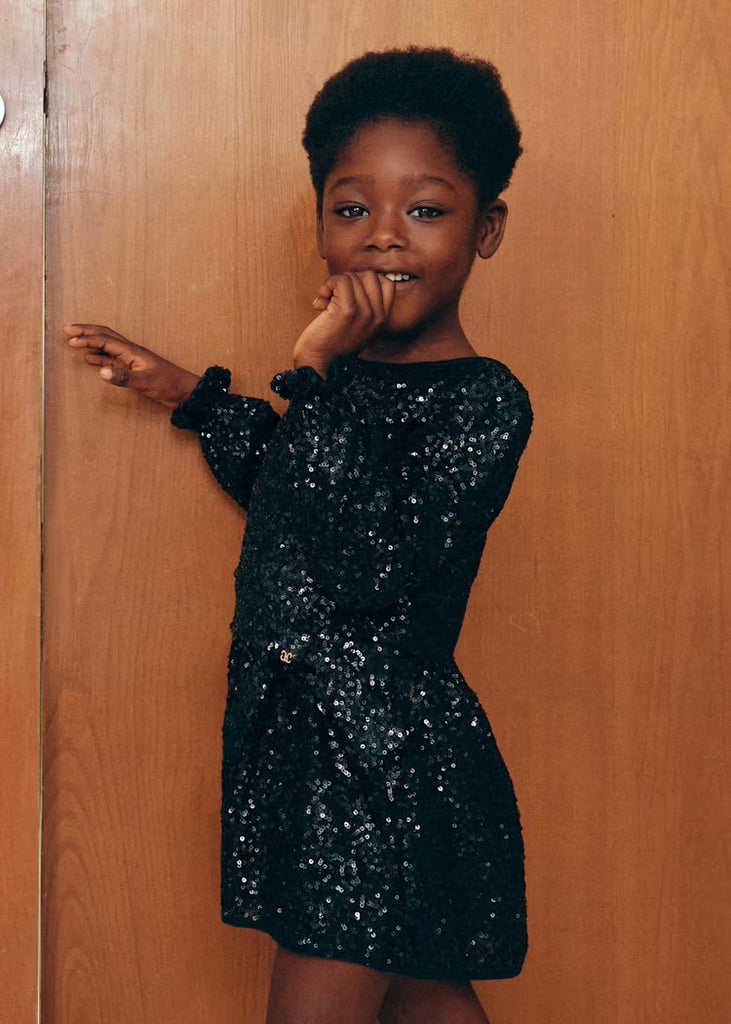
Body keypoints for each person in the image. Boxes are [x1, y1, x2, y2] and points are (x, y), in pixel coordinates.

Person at [66, 46, 533, 1024]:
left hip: (381, 771)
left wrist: (315, 366)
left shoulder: (482, 402)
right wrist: (187, 393)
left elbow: (366, 561)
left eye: (425, 210)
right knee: (425, 1001)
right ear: (319, 223)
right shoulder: (344, 393)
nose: (383, 235)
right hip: (305, 750)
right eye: (350, 208)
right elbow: (297, 500)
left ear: (485, 229)